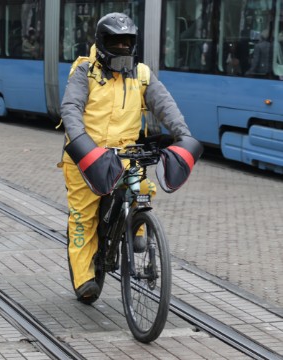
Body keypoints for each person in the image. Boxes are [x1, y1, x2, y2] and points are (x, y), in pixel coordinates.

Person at [60, 13, 200, 304]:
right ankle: (85, 278)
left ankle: (137, 224)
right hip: (87, 155)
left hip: (125, 154)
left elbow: (165, 106)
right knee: (83, 216)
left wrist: (182, 134)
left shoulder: (142, 74)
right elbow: (71, 109)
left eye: (127, 42)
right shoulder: (84, 72)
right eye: (116, 42)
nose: (122, 48)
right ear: (102, 42)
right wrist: (83, 143)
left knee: (144, 189)